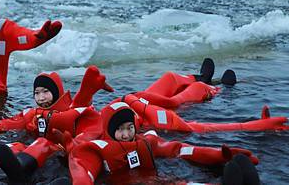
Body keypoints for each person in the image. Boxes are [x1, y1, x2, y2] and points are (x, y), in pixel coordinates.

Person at [59, 101, 260, 185]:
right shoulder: (97, 149)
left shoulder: (146, 141)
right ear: (110, 131)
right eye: (120, 130)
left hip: (152, 179)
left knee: (177, 183)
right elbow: (81, 168)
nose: (126, 133)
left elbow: (178, 149)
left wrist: (219, 154)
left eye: (130, 128)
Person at [113, 59, 288, 133]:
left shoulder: (111, 112)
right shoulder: (150, 129)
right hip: (149, 109)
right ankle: (218, 87)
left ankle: (201, 78)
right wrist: (258, 125)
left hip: (136, 104)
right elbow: (203, 128)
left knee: (169, 78)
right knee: (177, 100)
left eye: (126, 128)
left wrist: (131, 99)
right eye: (124, 130)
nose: (126, 133)